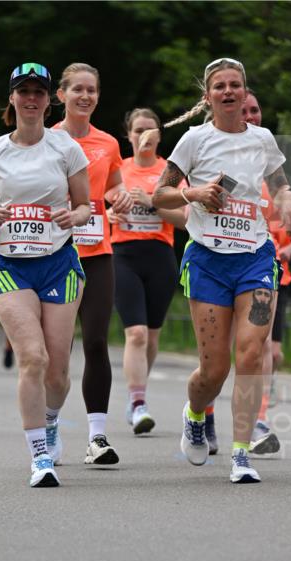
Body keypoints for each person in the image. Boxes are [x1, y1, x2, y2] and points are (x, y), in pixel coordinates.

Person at [153, 57, 291, 483]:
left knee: (252, 354)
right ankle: (195, 413)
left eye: (235, 84)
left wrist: (288, 195)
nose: (228, 91)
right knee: (214, 369)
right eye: (219, 86)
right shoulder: (194, 140)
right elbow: (159, 194)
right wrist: (195, 193)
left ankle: (241, 454)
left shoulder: (262, 139)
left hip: (255, 257)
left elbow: (279, 182)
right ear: (208, 96)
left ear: (244, 91)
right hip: (208, 260)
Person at [0, 62, 90, 486]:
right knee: (32, 357)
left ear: (48, 100)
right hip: (10, 267)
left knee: (57, 372)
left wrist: (73, 216)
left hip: (58, 264)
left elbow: (86, 206)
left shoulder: (65, 148)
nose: (31, 99)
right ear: (12, 98)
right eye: (24, 91)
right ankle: (39, 456)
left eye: (39, 92)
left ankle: (51, 419)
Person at [203, 88, 291, 457]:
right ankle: (204, 415)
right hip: (218, 265)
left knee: (260, 349)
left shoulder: (271, 168)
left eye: (255, 110)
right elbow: (192, 211)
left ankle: (256, 423)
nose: (251, 116)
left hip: (262, 270)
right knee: (216, 358)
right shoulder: (216, 160)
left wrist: (289, 201)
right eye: (244, 110)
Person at [53, 62, 134, 465]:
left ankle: (97, 437)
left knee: (97, 341)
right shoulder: (46, 140)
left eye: (92, 90)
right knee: (57, 350)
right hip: (54, 255)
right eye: (77, 89)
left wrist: (121, 197)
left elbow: (114, 185)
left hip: (97, 253)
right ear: (61, 95)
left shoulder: (108, 143)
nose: (85, 96)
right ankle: (48, 427)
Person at [110, 107, 187, 434]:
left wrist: (153, 202)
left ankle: (137, 394)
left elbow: (185, 220)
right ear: (128, 135)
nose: (145, 135)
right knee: (137, 333)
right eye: (138, 130)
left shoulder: (170, 172)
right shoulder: (117, 169)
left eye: (151, 130)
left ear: (159, 135)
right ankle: (138, 402)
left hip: (159, 256)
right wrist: (108, 216)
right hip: (123, 255)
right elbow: (96, 207)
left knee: (152, 336)